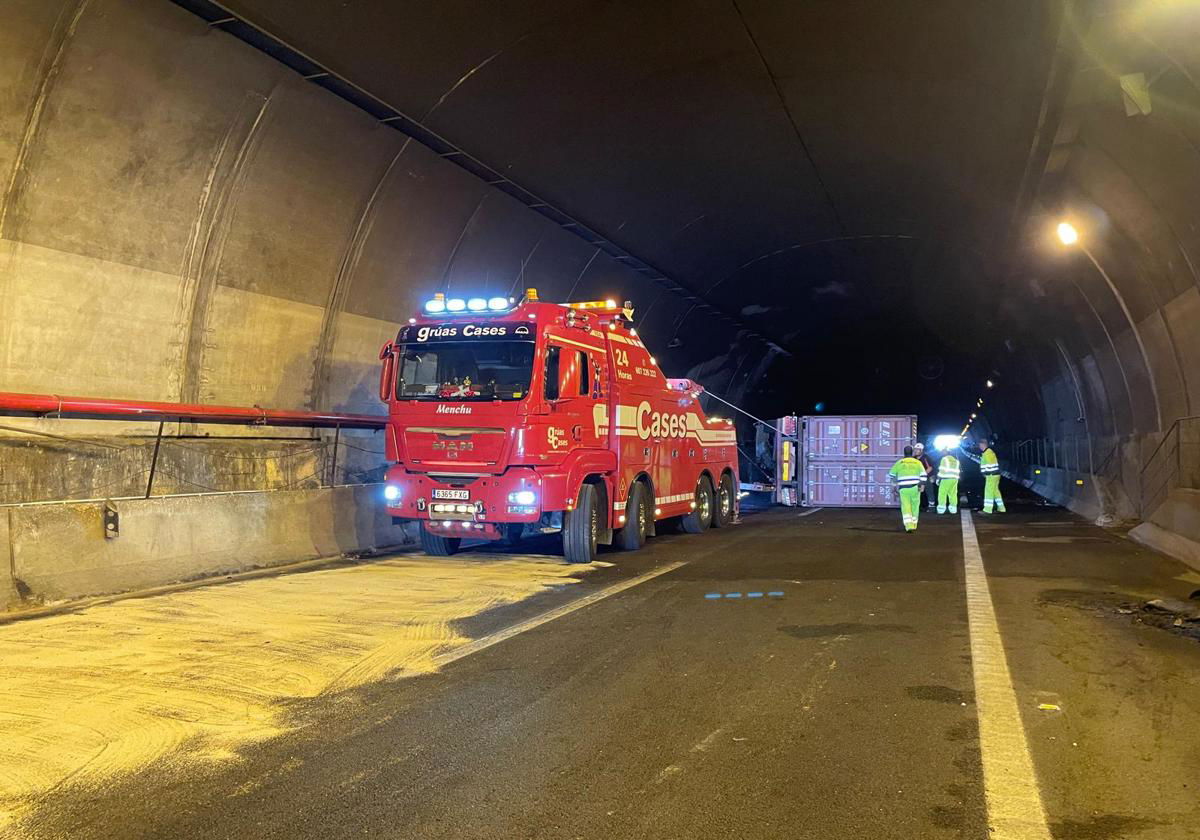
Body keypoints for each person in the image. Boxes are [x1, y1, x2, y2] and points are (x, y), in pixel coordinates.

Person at [888, 445, 928, 532]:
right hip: (915, 488)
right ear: (912, 452)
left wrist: (894, 486)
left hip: (903, 488)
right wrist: (922, 486)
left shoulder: (899, 462)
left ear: (904, 452)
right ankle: (914, 524)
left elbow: (891, 475)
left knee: (906, 506)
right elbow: (924, 475)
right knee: (915, 506)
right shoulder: (917, 462)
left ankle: (908, 526)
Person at [979, 439, 1005, 514]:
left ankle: (987, 509)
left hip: (991, 475)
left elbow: (990, 465)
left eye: (980, 445)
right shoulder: (988, 452)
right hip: (995, 474)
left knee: (988, 491)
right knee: (995, 491)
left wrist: (986, 473)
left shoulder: (987, 453)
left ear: (983, 444)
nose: (979, 446)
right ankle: (1001, 508)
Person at [936, 446, 961, 514]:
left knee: (942, 494)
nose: (941, 452)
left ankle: (941, 509)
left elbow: (942, 470)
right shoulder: (956, 460)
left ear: (946, 452)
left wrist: (938, 479)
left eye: (943, 451)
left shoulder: (944, 459)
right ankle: (953, 509)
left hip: (945, 479)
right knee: (953, 494)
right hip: (954, 479)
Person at [913, 442, 935, 509]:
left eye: (918, 449)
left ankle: (931, 506)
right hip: (917, 478)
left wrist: (923, 475)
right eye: (915, 449)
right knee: (917, 492)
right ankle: (920, 506)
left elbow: (930, 468)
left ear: (921, 450)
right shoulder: (914, 458)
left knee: (929, 491)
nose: (916, 451)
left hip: (926, 478)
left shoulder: (926, 457)